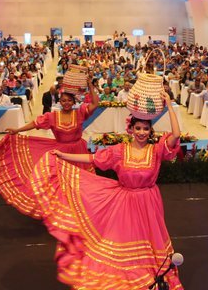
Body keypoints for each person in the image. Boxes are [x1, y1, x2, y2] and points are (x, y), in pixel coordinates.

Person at [24, 90, 183, 289]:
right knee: (126, 239)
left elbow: (176, 135)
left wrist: (169, 105)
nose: (142, 132)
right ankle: (130, 269)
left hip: (149, 201)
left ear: (151, 131)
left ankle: (153, 269)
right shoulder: (119, 151)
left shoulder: (157, 150)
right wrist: (64, 157)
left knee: (151, 240)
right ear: (130, 129)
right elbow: (93, 158)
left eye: (145, 129)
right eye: (138, 128)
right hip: (125, 201)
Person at [0, 77, 99, 218]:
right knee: (62, 182)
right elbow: (35, 123)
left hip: (79, 151)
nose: (66, 103)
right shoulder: (52, 116)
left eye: (69, 100)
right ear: (59, 102)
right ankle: (65, 209)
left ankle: (82, 208)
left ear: (74, 102)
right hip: (60, 153)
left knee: (81, 181)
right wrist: (17, 130)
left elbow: (95, 103)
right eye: (64, 100)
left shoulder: (80, 113)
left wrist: (90, 85)